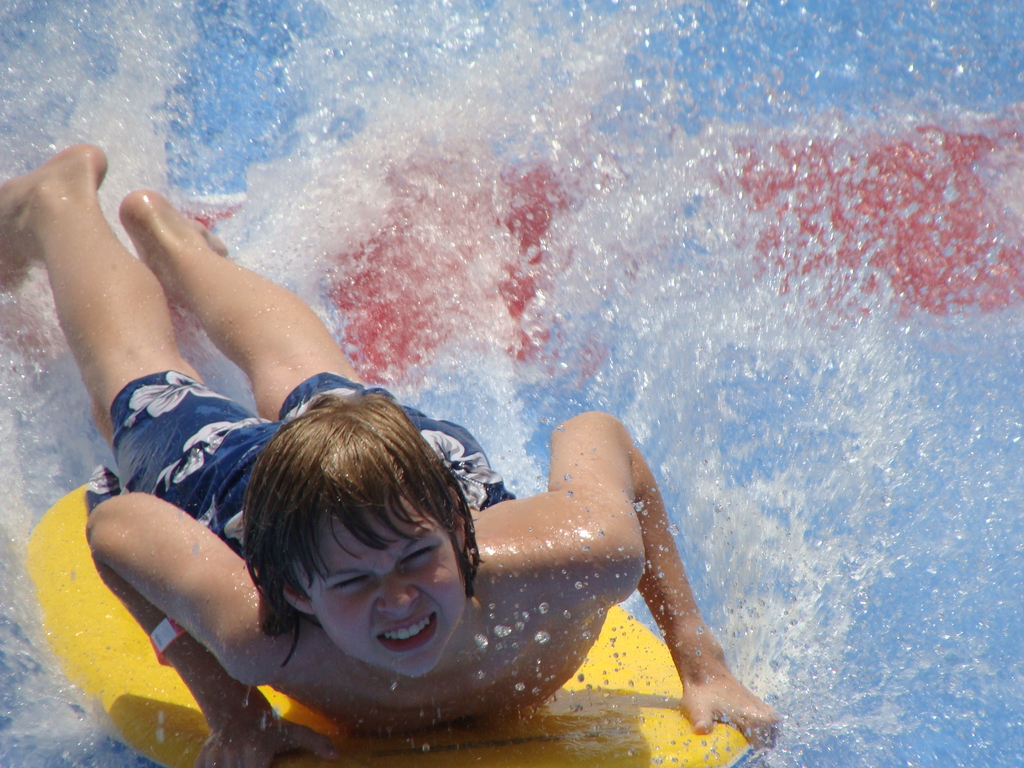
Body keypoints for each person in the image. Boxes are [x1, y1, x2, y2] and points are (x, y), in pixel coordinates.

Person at [2, 145, 779, 768]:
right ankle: (58, 199)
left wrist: (698, 658)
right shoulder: (259, 627)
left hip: (401, 482)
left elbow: (600, 434)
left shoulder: (587, 557)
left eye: (416, 561)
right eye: (355, 583)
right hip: (244, 496)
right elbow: (116, 531)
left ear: (460, 532)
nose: (399, 599)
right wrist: (233, 712)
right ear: (295, 592)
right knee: (135, 389)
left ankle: (175, 248)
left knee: (320, 387)